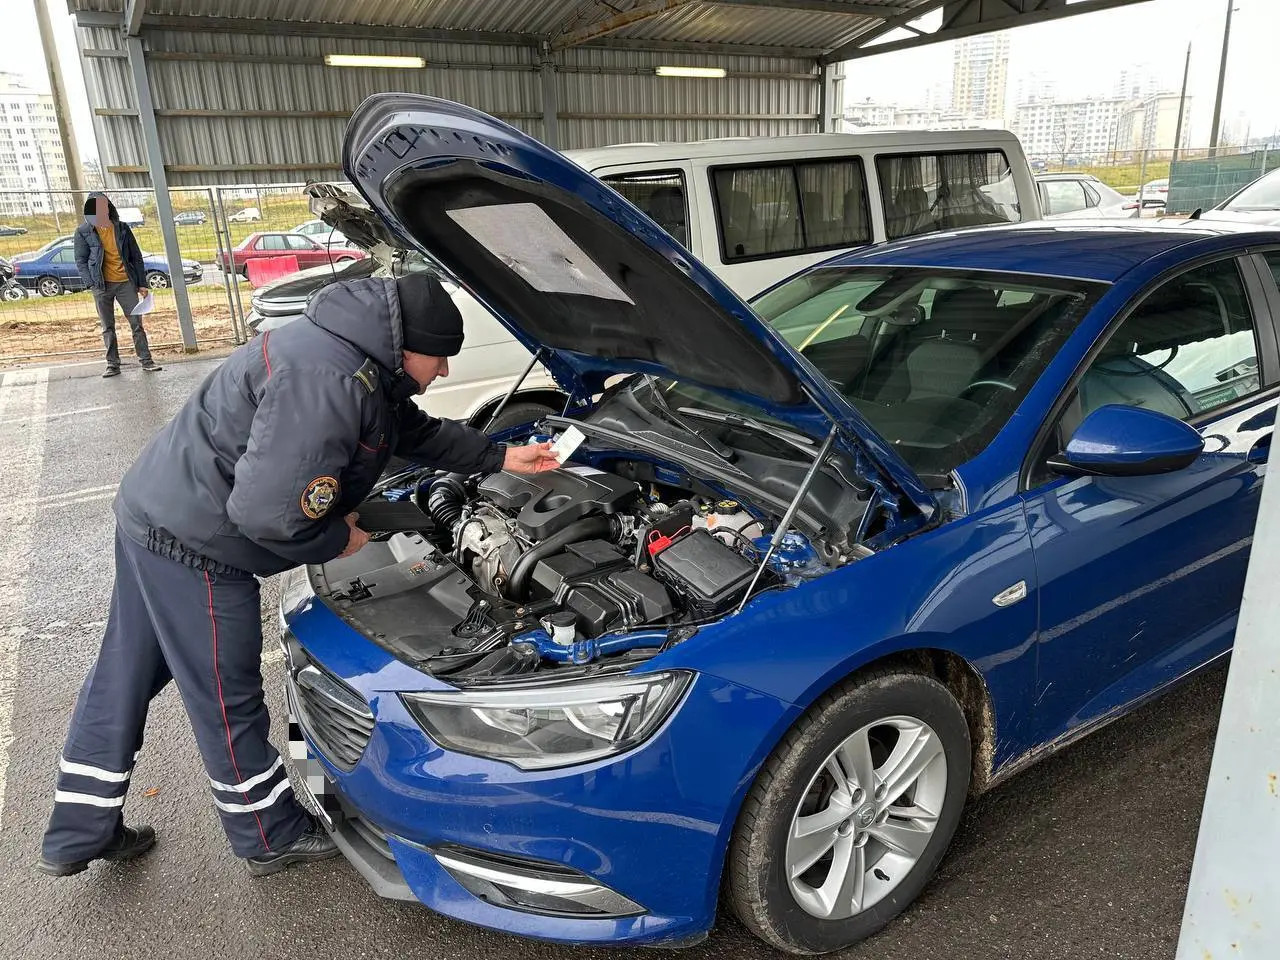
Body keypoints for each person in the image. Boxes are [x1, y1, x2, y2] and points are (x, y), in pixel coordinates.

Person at [37, 270, 561, 879]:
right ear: (408, 346)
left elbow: (406, 431)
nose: (442, 372)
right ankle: (268, 833)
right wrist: (341, 537)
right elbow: (266, 514)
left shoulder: (356, 355)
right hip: (197, 543)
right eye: (440, 359)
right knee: (226, 695)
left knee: (125, 671)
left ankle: (77, 832)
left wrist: (498, 455)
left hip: (159, 511)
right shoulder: (331, 380)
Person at [74, 192, 162, 378]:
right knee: (108, 327)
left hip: (126, 283)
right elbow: (80, 260)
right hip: (101, 286)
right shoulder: (83, 231)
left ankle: (146, 361)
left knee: (136, 324)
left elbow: (135, 256)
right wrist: (91, 283)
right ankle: (112, 364)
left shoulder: (122, 228)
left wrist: (141, 283)